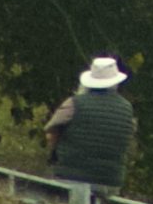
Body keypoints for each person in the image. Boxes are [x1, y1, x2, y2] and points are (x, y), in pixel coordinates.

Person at [45, 56, 136, 193]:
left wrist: (55, 153)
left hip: (72, 177)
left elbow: (51, 131)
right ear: (116, 82)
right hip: (111, 182)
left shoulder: (75, 103)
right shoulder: (127, 108)